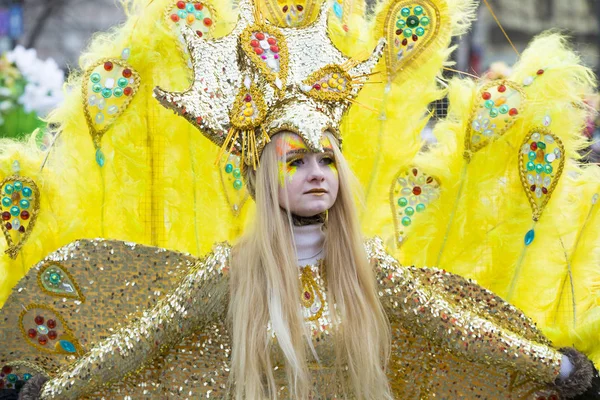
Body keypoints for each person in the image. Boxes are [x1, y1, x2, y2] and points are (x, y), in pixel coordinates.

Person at [1, 0, 599, 398]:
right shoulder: (233, 272)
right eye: (295, 162)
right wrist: (55, 390)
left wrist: (562, 368)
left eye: (326, 160)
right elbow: (142, 342)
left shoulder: (371, 272)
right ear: (263, 178)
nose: (316, 174)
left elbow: (461, 332)